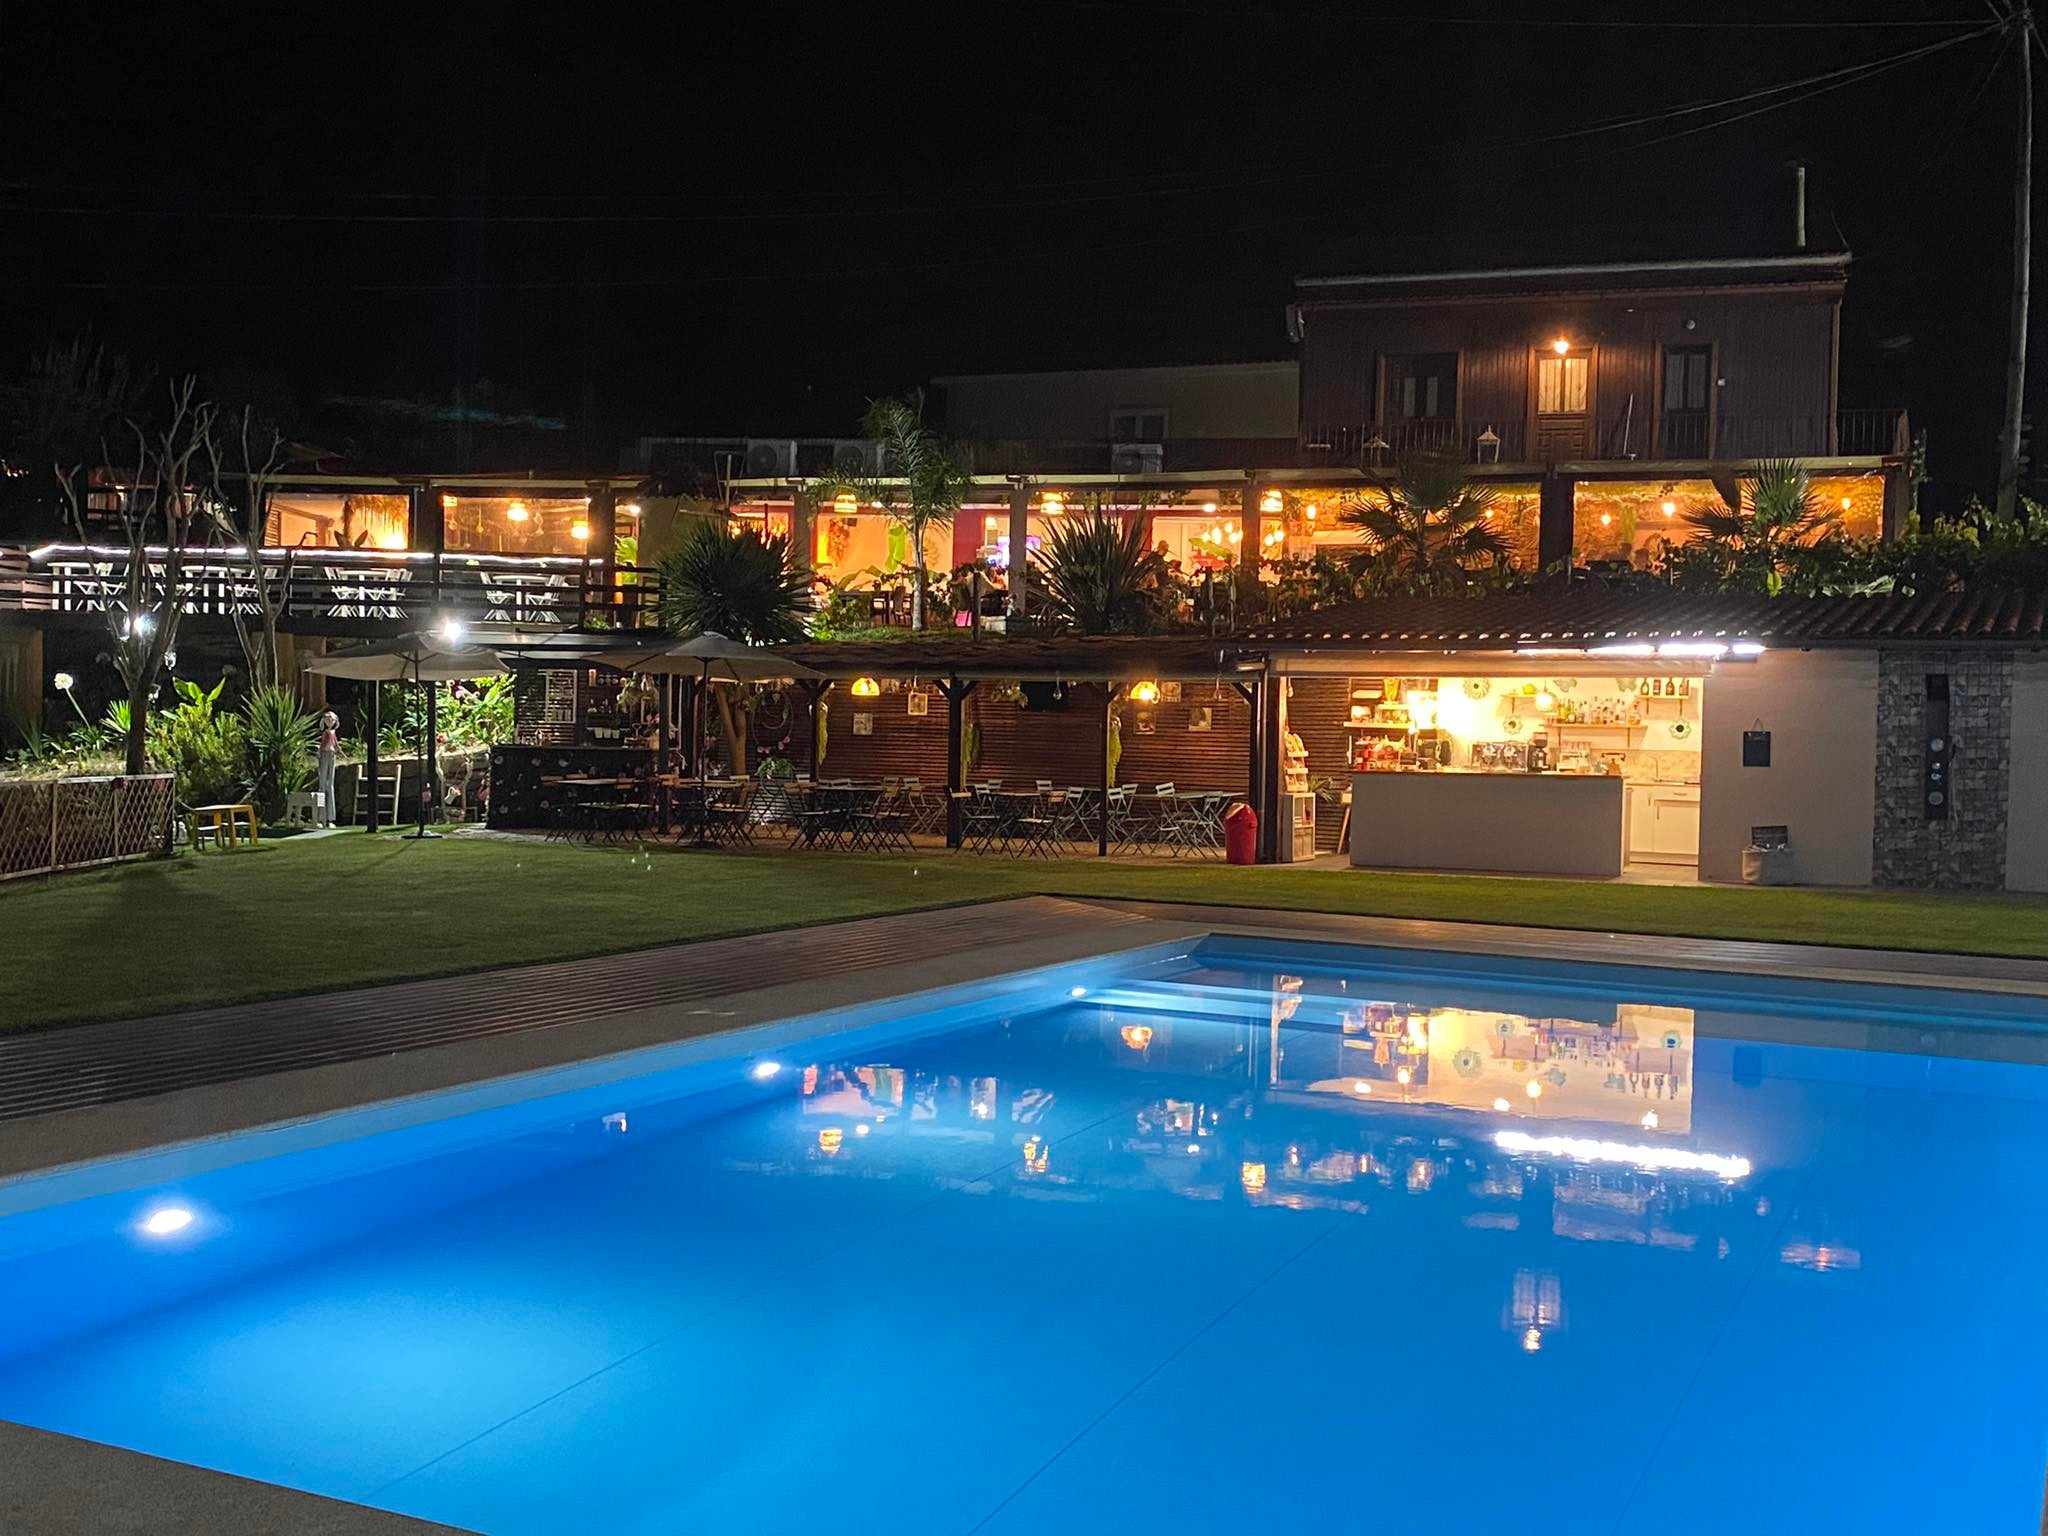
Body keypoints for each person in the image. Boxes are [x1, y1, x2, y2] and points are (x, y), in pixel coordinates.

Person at [316, 709, 340, 826]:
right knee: (322, 784)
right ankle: (321, 817)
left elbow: (336, 744)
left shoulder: (333, 732)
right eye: (327, 718)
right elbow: (322, 745)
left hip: (331, 755)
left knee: (330, 784)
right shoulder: (326, 733)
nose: (329, 720)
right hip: (324, 755)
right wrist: (319, 751)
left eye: (331, 718)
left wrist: (338, 750)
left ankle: (330, 818)